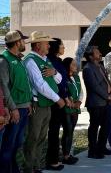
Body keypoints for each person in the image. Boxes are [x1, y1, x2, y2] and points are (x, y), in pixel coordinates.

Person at [23, 31, 66, 173]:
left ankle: (36, 166)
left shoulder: (45, 59)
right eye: (46, 43)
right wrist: (58, 99)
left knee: (41, 137)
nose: (49, 45)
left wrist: (54, 72)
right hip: (38, 105)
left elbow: (59, 79)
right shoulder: (30, 61)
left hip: (46, 104)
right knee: (33, 138)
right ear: (37, 45)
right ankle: (29, 168)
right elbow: (39, 85)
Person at [0, 30, 31, 173]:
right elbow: (4, 86)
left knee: (17, 144)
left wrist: (28, 103)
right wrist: (12, 108)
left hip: (24, 107)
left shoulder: (18, 59)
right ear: (17, 42)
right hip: (15, 110)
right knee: (8, 145)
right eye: (23, 40)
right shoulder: (4, 60)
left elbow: (24, 83)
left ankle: (14, 169)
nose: (24, 43)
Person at [82, 46, 111, 159]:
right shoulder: (87, 69)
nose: (100, 53)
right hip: (96, 103)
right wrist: (107, 96)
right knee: (94, 127)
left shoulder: (100, 66)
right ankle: (92, 151)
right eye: (97, 53)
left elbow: (107, 81)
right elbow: (94, 87)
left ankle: (102, 148)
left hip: (106, 102)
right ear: (91, 56)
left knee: (106, 126)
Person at [46, 38, 75, 169]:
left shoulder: (58, 61)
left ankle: (61, 156)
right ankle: (52, 161)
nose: (64, 48)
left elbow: (63, 81)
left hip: (62, 99)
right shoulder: (50, 61)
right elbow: (55, 82)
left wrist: (67, 96)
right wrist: (62, 97)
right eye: (62, 46)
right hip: (55, 101)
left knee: (60, 129)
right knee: (53, 131)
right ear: (56, 47)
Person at [61, 57, 83, 164]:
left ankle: (68, 154)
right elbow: (62, 92)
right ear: (67, 65)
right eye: (73, 64)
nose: (76, 66)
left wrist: (79, 102)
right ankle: (65, 156)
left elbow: (81, 91)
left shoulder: (76, 77)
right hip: (67, 108)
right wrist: (71, 103)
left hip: (75, 108)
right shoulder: (63, 77)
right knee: (67, 131)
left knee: (71, 131)